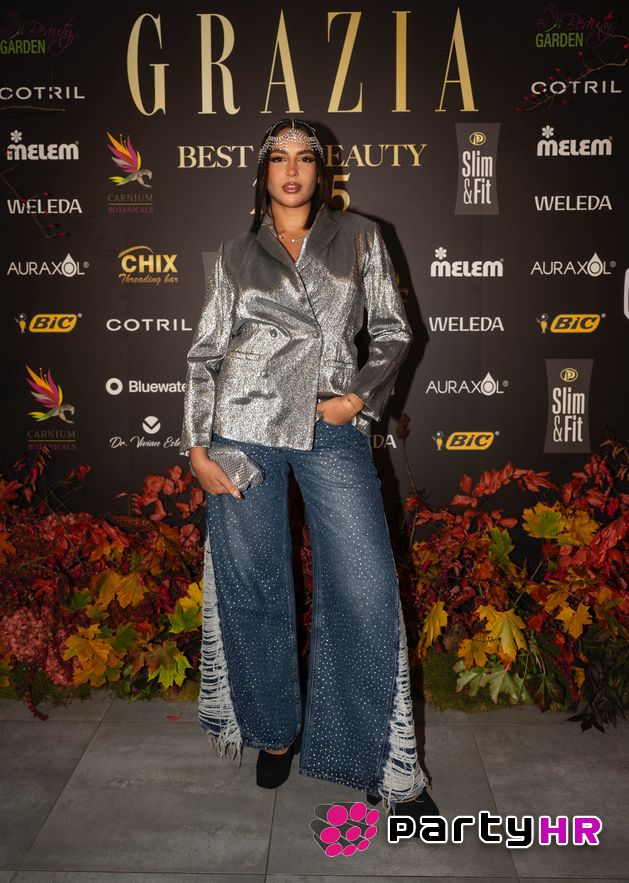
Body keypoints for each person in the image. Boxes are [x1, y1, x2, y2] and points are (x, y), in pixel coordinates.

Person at [181, 119, 437, 827]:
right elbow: (206, 353)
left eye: (305, 158)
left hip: (331, 424)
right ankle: (273, 730)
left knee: (365, 585)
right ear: (263, 172)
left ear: (322, 173)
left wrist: (357, 399)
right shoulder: (236, 253)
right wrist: (197, 447)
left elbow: (394, 331)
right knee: (254, 582)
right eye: (279, 158)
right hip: (243, 429)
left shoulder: (360, 236)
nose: (292, 170)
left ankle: (377, 759)